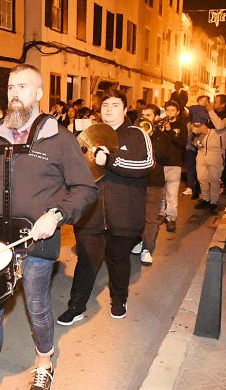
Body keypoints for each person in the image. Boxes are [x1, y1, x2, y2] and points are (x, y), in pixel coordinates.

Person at [0, 64, 98, 390]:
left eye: (23, 87)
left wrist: (56, 215)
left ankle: (44, 361)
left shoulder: (60, 139)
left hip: (37, 239)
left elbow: (85, 189)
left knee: (36, 305)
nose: (14, 93)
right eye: (11, 87)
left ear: (38, 94)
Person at [57, 89, 154, 326]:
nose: (108, 109)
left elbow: (146, 165)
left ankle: (119, 299)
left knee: (118, 260)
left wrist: (109, 160)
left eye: (114, 105)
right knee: (86, 261)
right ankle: (76, 306)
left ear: (125, 108)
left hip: (123, 214)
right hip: (91, 214)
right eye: (105, 106)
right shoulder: (91, 134)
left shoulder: (136, 134)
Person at [131, 104, 170, 265]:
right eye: (143, 114)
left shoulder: (161, 135)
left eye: (149, 115)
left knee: (151, 218)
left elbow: (161, 156)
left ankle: (147, 248)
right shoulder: (135, 133)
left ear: (156, 117)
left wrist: (152, 135)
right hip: (137, 182)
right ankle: (140, 240)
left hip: (154, 181)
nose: (145, 118)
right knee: (136, 216)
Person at [158, 100, 187, 232]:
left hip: (174, 164)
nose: (169, 113)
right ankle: (161, 214)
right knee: (161, 192)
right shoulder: (160, 124)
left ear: (178, 112)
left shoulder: (181, 125)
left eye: (172, 110)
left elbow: (181, 143)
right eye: (167, 110)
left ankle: (171, 218)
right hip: (160, 164)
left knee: (172, 194)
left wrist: (170, 130)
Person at [194, 94, 226, 213]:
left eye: (216, 102)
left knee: (214, 179)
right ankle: (206, 199)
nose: (213, 103)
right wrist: (196, 134)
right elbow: (198, 128)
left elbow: (219, 126)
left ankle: (213, 201)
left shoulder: (222, 117)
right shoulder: (208, 115)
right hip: (202, 152)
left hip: (216, 153)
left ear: (223, 104)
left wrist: (211, 111)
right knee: (202, 178)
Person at [183, 95, 210, 197]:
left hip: (203, 147)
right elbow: (188, 124)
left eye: (205, 101)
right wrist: (191, 127)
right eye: (200, 100)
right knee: (191, 166)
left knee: (202, 169)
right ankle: (190, 187)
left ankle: (200, 190)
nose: (202, 102)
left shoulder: (210, 114)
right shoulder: (193, 112)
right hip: (191, 146)